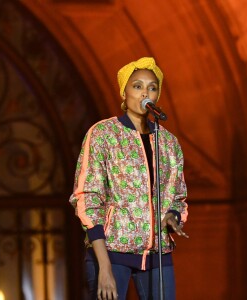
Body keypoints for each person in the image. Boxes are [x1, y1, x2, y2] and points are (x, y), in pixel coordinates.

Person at [69, 57, 188, 300]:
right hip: (111, 253)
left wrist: (173, 216)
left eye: (152, 87)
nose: (145, 92)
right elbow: (87, 198)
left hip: (158, 254)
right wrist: (103, 266)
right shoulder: (103, 133)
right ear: (124, 93)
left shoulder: (168, 143)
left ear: (157, 96)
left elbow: (178, 195)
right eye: (137, 86)